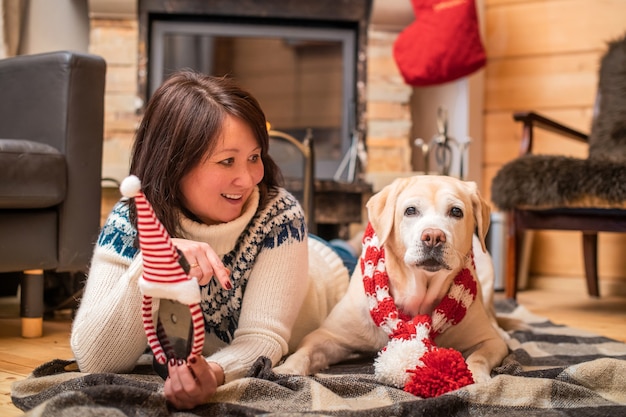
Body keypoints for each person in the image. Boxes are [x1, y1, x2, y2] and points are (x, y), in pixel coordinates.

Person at [70, 70, 352, 410]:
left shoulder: (281, 216)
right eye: (227, 161)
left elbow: (263, 338)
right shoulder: (131, 220)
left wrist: (216, 372)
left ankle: (354, 246)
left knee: (360, 255)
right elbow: (96, 360)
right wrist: (154, 260)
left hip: (326, 275)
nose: (247, 178)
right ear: (173, 163)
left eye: (254, 157)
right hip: (297, 253)